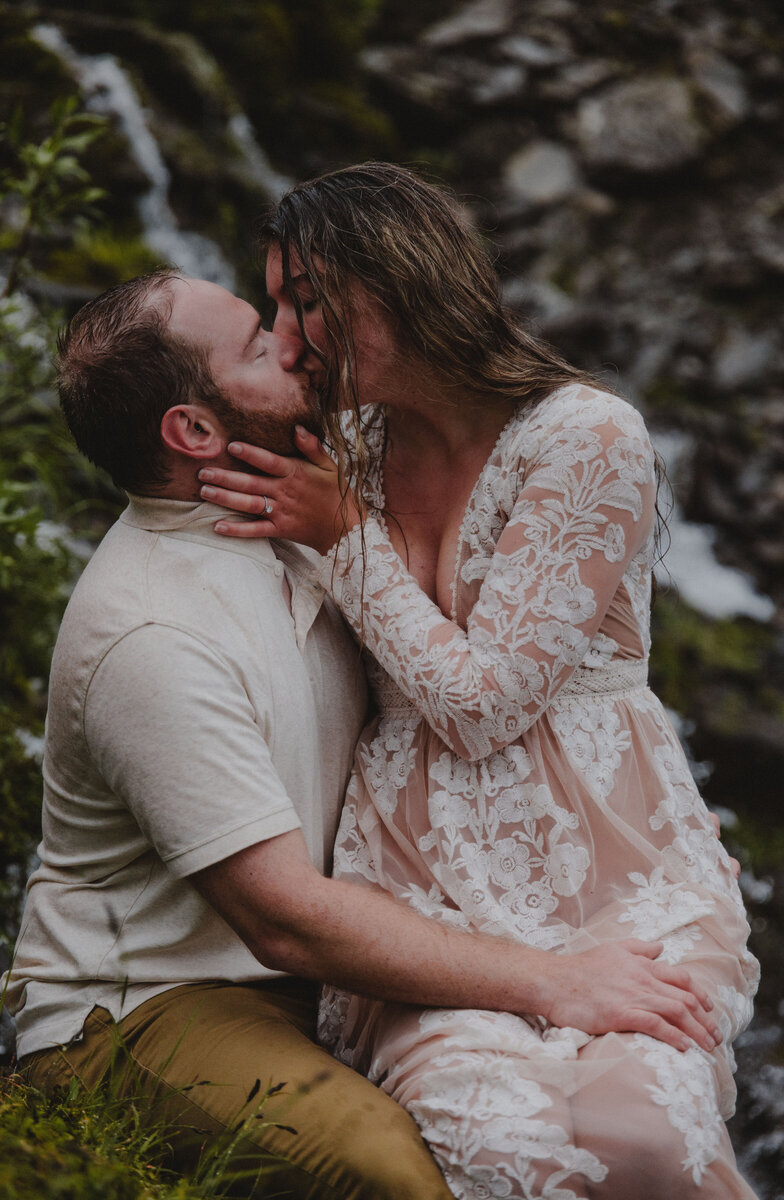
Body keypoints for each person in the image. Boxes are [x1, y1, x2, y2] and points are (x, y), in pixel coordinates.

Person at [2, 269, 720, 1200]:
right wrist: (558, 981)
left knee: (607, 1118)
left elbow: (481, 684)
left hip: (340, 959)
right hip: (157, 999)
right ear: (195, 432)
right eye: (258, 346)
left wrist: (653, 834)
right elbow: (286, 920)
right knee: (404, 1173)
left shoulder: (302, 511)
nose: (293, 345)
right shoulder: (153, 632)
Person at [201, 163, 760, 1199]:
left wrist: (346, 538)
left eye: (306, 301)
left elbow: (482, 706)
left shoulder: (584, 435)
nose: (284, 340)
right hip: (425, 897)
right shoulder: (344, 445)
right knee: (514, 1153)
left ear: (397, 283)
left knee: (645, 1141)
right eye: (272, 308)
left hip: (608, 872)